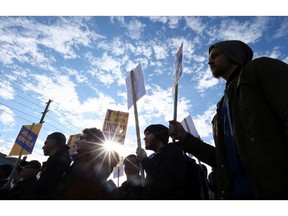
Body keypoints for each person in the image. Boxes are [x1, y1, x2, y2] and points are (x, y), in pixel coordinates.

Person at [169, 40, 288, 199]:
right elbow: (220, 160)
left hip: (274, 188)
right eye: (209, 57)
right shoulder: (220, 109)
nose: (209, 61)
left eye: (216, 55)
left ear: (234, 54)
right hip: (237, 194)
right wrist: (185, 137)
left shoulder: (259, 69)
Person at [136, 124, 201, 199]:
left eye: (148, 133)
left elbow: (165, 181)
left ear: (158, 134)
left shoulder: (174, 152)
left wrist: (145, 160)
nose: (144, 138)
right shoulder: (156, 158)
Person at [56, 127, 120, 200]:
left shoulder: (94, 164)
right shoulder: (81, 160)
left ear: (91, 142)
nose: (77, 142)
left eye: (82, 138)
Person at [31, 132, 71, 199]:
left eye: (45, 143)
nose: (43, 147)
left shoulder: (60, 162)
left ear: (53, 142)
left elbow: (46, 190)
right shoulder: (56, 160)